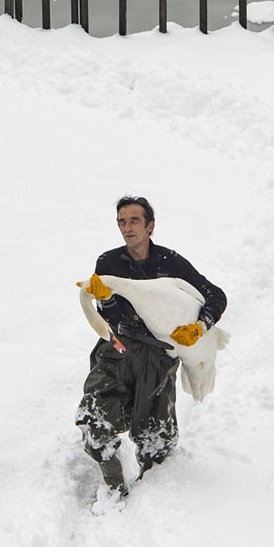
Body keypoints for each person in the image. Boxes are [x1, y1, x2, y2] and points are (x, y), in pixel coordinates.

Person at [75, 196, 227, 497]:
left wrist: (200, 326)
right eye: (122, 222)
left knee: (157, 440)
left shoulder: (170, 263)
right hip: (117, 350)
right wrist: (105, 299)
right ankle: (115, 487)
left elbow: (215, 296)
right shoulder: (109, 263)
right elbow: (111, 316)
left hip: (158, 358)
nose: (127, 228)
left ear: (150, 225)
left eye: (134, 221)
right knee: (96, 420)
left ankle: (153, 500)